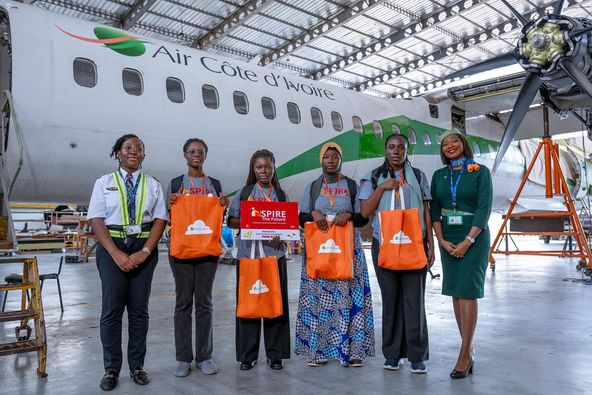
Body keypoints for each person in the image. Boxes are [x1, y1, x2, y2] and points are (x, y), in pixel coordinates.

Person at [87, 134, 167, 391]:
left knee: (139, 311)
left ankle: (137, 366)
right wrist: (115, 253)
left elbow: (160, 220)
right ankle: (111, 369)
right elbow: (97, 220)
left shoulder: (153, 184)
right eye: (128, 148)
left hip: (143, 249)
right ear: (118, 153)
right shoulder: (104, 182)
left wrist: (145, 250)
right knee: (111, 310)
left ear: (144, 155)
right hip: (113, 248)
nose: (134, 151)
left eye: (139, 148)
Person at [359, 133, 434, 374]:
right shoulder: (372, 177)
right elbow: (364, 211)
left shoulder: (418, 176)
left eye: (401, 147)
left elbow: (425, 210)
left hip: (414, 243)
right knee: (391, 300)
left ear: (406, 150)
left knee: (414, 300)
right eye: (391, 147)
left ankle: (416, 355)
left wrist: (429, 243)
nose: (396, 151)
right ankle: (392, 354)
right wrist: (381, 188)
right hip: (385, 244)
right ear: (385, 150)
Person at [295, 142, 375, 367]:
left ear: (341, 160)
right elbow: (300, 219)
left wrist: (348, 215)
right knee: (319, 303)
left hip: (348, 251)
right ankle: (318, 352)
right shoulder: (312, 187)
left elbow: (362, 218)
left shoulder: (351, 185)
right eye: (326, 157)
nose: (331, 160)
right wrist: (313, 212)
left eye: (335, 157)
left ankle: (353, 352)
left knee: (349, 300)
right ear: (321, 160)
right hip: (320, 252)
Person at [429, 129, 492, 379]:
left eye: (455, 141)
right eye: (445, 143)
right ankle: (468, 348)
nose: (450, 145)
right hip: (449, 238)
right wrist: (441, 240)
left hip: (473, 237)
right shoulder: (440, 175)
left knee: (467, 293)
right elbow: (434, 209)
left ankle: (465, 353)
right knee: (456, 293)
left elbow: (484, 208)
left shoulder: (479, 172)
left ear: (463, 144)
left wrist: (468, 240)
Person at [167, 138, 228, 377]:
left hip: (207, 252)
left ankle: (204, 356)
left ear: (206, 155)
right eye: (192, 151)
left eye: (200, 152)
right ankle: (183, 358)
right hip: (181, 250)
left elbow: (218, 216)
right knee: (183, 304)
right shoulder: (175, 183)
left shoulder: (214, 184)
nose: (196, 155)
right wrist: (169, 202)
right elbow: (168, 215)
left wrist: (224, 204)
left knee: (205, 303)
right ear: (185, 155)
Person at [227, 149, 291, 371]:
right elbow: (231, 221)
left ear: (274, 168)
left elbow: (289, 228)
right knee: (249, 305)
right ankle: (248, 354)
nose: (264, 171)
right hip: (249, 257)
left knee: (275, 304)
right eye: (259, 167)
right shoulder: (244, 193)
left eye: (268, 166)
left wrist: (279, 235)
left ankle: (275, 354)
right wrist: (251, 219)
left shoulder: (281, 195)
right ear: (253, 170)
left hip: (274, 257)